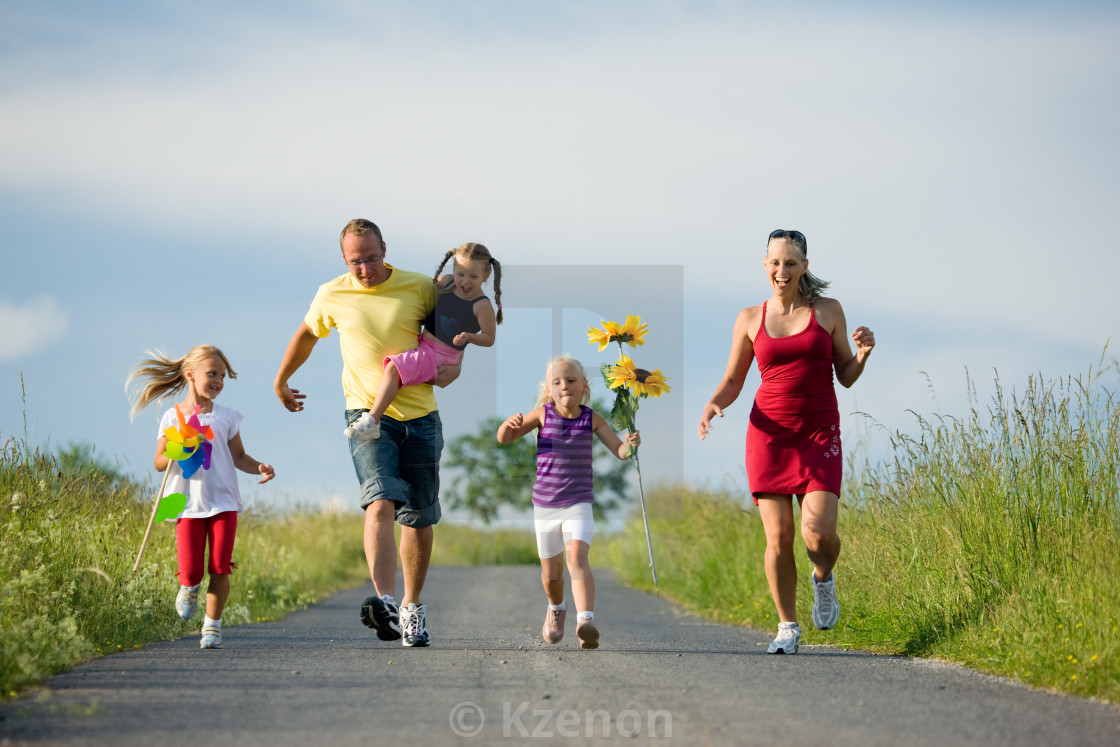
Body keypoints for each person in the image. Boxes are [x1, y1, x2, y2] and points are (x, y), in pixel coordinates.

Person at [274, 218, 460, 648]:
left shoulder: (420, 287)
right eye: (356, 261)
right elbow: (307, 333)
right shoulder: (332, 293)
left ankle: (413, 607)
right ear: (344, 259)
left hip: (421, 417)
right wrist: (282, 380)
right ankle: (386, 603)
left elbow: (450, 340)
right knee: (379, 502)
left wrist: (456, 365)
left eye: (372, 258)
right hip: (365, 416)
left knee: (417, 515)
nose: (365, 269)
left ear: (385, 249)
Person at [697, 229, 875, 655]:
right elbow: (733, 380)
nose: (782, 270)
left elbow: (845, 375)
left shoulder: (828, 311)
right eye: (775, 263)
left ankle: (823, 577)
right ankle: (787, 626)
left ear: (804, 267)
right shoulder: (748, 318)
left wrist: (863, 355)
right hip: (769, 435)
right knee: (778, 537)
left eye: (791, 263)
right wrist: (713, 405)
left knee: (818, 535)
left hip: (818, 433)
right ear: (765, 266)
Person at [127, 345, 275, 649]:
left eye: (222, 375)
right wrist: (177, 449)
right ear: (190, 374)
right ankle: (188, 587)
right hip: (184, 501)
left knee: (220, 565)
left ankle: (212, 626)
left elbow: (239, 456)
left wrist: (259, 465)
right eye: (212, 374)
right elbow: (158, 463)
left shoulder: (227, 417)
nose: (218, 380)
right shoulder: (172, 416)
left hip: (223, 501)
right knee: (192, 570)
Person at [497, 355, 641, 650]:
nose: (565, 387)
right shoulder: (541, 415)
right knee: (551, 575)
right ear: (549, 389)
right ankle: (557, 608)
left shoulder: (592, 419)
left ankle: (585, 621)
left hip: (578, 502)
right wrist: (506, 425)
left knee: (577, 559)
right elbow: (505, 438)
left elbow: (620, 451)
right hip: (545, 506)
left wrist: (631, 445)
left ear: (584, 385)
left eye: (571, 381)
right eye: (557, 382)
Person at [344, 242, 502, 441]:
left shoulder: (482, 305)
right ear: (453, 270)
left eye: (473, 276)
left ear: (486, 276)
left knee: (394, 368)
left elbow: (489, 338)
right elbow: (425, 301)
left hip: (441, 355)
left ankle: (371, 421)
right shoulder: (446, 283)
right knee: (396, 370)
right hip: (425, 345)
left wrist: (468, 337)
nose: (465, 282)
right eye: (461, 274)